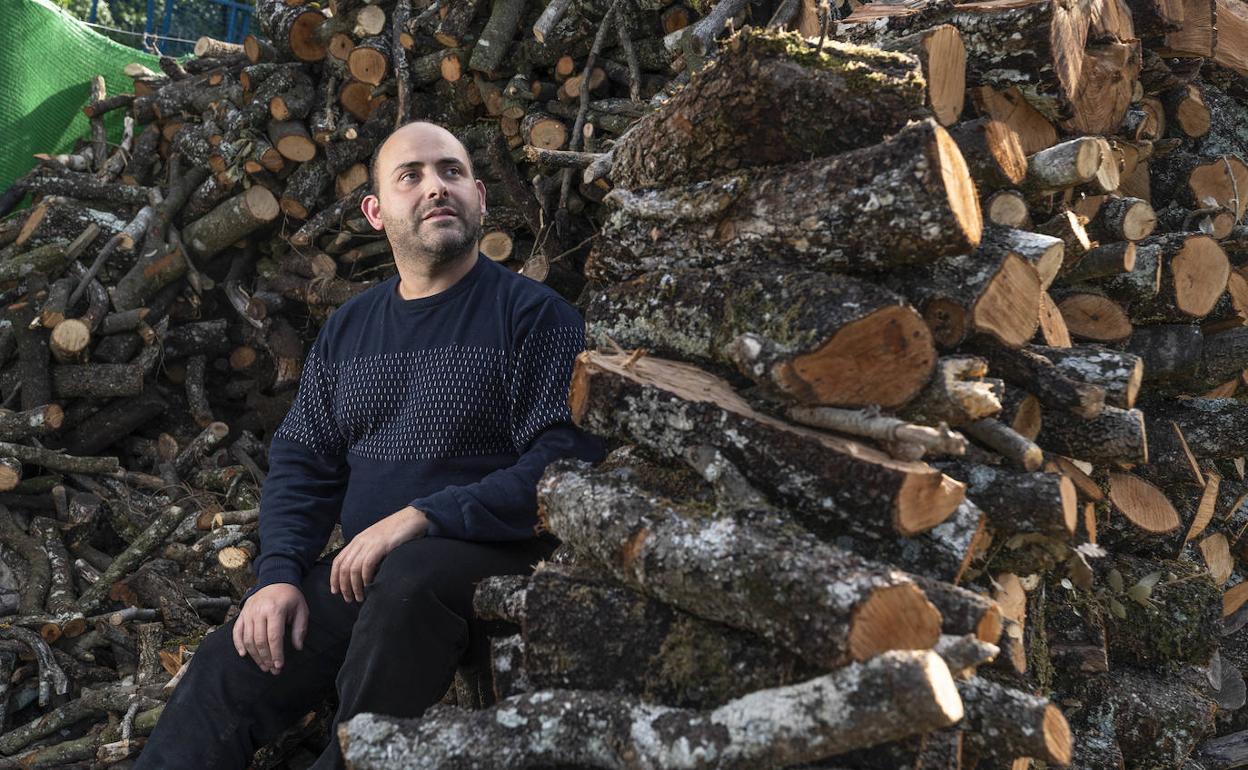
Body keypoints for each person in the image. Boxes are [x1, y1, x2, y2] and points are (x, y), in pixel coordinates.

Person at [137, 121, 604, 770]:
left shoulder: (536, 317)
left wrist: (422, 517)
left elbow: (563, 465)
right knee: (228, 665)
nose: (435, 187)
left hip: (492, 560)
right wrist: (276, 576)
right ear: (375, 211)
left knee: (409, 582)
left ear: (479, 197)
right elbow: (304, 461)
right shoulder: (351, 327)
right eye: (410, 176)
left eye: (451, 171)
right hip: (373, 574)